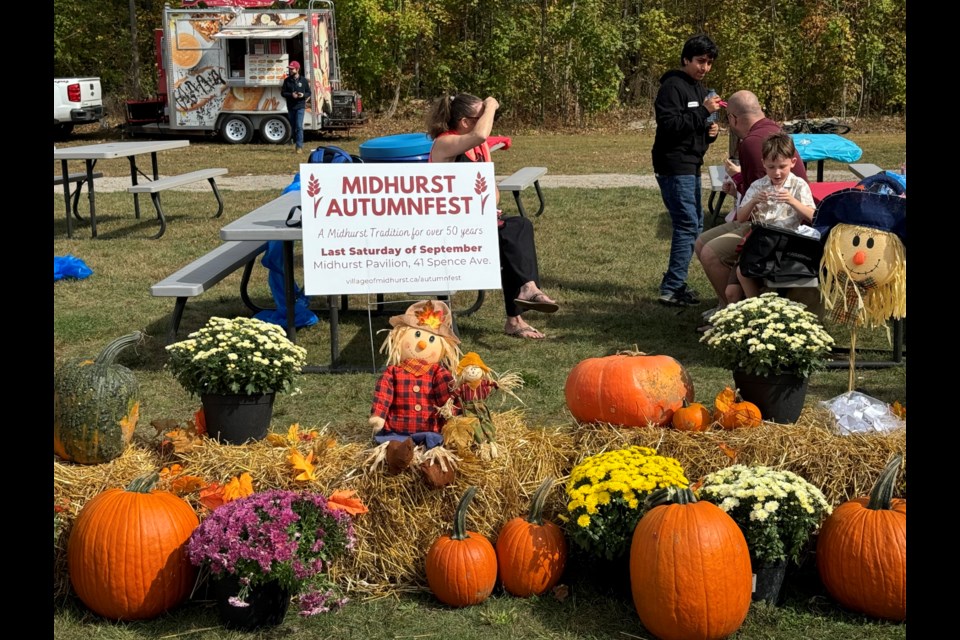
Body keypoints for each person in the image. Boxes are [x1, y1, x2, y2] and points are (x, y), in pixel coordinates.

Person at [427, 93, 559, 340]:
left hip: (477, 222)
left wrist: (485, 156)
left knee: (518, 228)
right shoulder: (445, 144)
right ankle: (521, 306)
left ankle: (524, 296)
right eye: (483, 116)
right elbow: (481, 135)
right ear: (466, 122)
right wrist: (492, 105)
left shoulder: (473, 146)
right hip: (452, 229)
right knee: (512, 233)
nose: (488, 120)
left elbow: (493, 195)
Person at [694, 90, 809, 317]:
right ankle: (727, 306)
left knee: (709, 252)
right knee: (701, 244)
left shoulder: (752, 142)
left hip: (775, 229)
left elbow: (773, 197)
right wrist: (738, 187)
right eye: (771, 167)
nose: (776, 171)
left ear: (733, 118)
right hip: (757, 221)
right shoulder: (772, 130)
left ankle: (735, 313)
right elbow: (754, 193)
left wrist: (737, 177)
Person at [652, 34, 723, 307]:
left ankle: (675, 283)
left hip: (691, 162)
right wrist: (703, 113)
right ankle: (671, 289)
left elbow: (696, 126)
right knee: (685, 224)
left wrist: (711, 132)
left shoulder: (700, 89)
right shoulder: (672, 87)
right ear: (686, 59)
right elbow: (669, 125)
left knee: (695, 224)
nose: (704, 68)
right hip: (673, 163)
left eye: (709, 63)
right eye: (700, 61)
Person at [733, 131, 815, 298]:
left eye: (782, 167)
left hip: (788, 241)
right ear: (763, 164)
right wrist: (753, 201)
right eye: (771, 167)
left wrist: (793, 201)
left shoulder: (798, 185)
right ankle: (756, 307)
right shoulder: (759, 185)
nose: (777, 173)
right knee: (742, 273)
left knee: (753, 271)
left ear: (792, 163)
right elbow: (741, 218)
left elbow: (813, 216)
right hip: (762, 240)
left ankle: (765, 303)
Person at [280, 61, 311, 152]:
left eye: (292, 69)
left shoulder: (303, 80)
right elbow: (283, 93)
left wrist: (303, 95)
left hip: (300, 106)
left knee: (299, 126)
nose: (290, 70)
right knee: (293, 126)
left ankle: (299, 146)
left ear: (297, 69)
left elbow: (309, 92)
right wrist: (291, 95)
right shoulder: (287, 80)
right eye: (289, 69)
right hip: (291, 106)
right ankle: (295, 140)